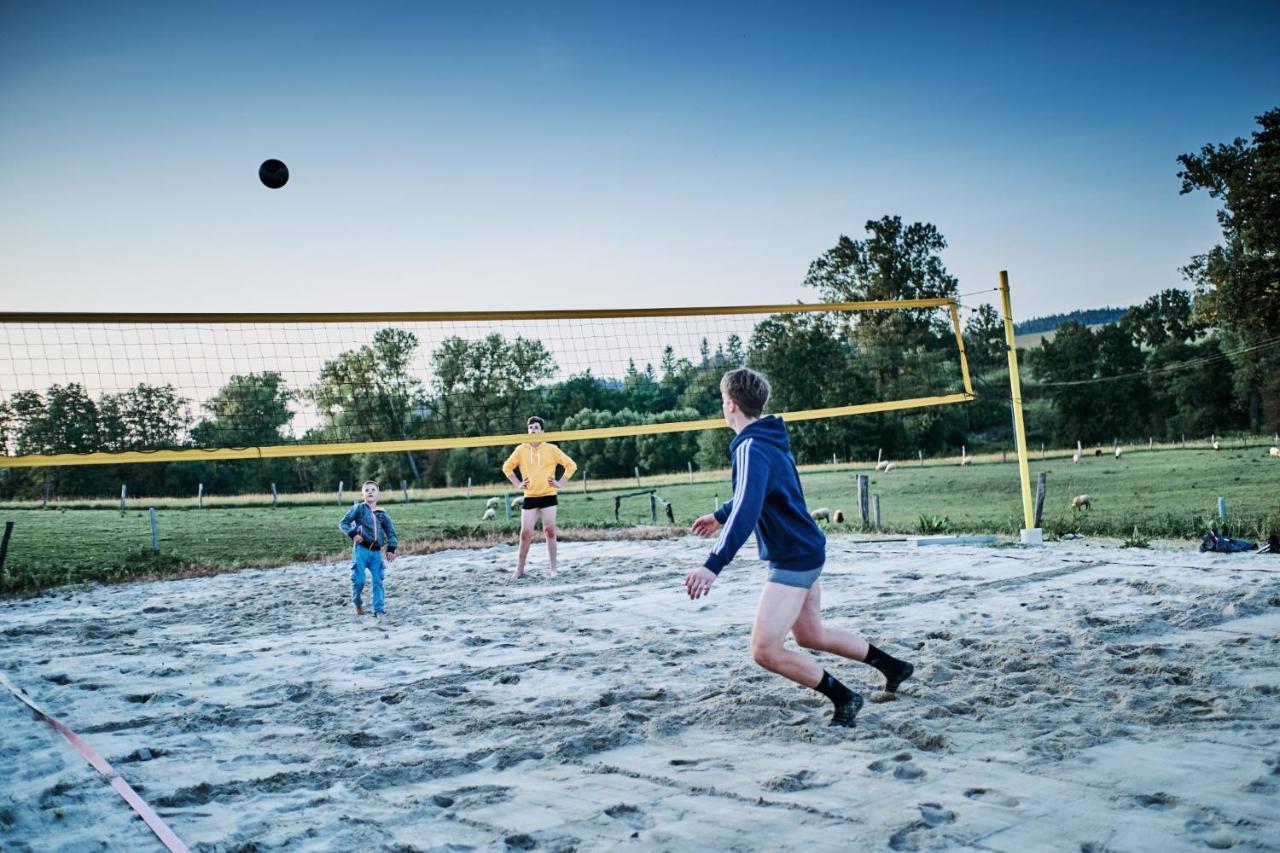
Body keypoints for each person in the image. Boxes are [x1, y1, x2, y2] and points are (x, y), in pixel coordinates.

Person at [686, 368, 914, 727]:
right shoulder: (768, 440)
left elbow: (748, 508)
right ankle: (894, 667)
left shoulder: (750, 446)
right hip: (806, 549)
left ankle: (845, 698)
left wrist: (712, 564)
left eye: (721, 400)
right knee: (810, 634)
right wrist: (719, 514)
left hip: (793, 558)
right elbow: (758, 493)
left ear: (730, 404)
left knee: (764, 650)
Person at [502, 416, 577, 579]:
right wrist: (517, 484)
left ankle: (553, 569)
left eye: (536, 427)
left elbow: (571, 465)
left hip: (548, 495)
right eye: (530, 428)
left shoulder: (551, 449)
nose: (533, 430)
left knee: (550, 531)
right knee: (525, 533)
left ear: (542, 431)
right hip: (530, 496)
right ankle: (519, 570)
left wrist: (560, 483)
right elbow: (507, 467)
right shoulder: (521, 449)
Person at [339, 480, 398, 618]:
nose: (370, 492)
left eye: (373, 490)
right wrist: (353, 534)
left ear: (378, 494)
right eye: (367, 490)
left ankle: (379, 610)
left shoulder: (382, 514)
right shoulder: (359, 508)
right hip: (361, 550)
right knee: (358, 580)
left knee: (378, 580)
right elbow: (344, 523)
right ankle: (357, 602)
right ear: (363, 494)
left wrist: (391, 548)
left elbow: (391, 533)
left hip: (376, 552)